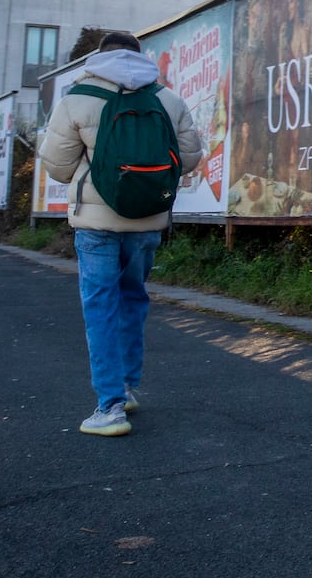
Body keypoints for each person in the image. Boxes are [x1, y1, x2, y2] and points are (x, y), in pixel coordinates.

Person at [37, 31, 205, 437]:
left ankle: (109, 406)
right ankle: (128, 386)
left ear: (99, 58)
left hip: (96, 222)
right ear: (139, 57)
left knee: (100, 306)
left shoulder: (77, 99)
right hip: (148, 219)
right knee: (133, 296)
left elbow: (57, 167)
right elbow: (190, 158)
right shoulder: (168, 99)